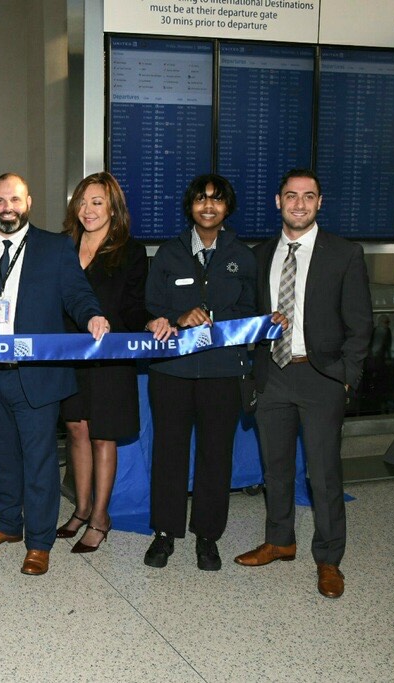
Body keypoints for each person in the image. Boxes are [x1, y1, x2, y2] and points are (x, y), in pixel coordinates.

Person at [235, 169, 372, 599]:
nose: (299, 204)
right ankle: (280, 541)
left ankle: (329, 560)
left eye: (308, 196)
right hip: (272, 375)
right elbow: (246, 319)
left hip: (321, 377)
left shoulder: (344, 254)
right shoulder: (258, 255)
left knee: (323, 474)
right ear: (278, 201)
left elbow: (361, 323)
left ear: (319, 202)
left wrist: (346, 378)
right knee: (274, 468)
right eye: (291, 196)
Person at [0, 173, 108, 576]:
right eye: (0, 200)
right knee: (3, 456)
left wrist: (93, 314)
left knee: (40, 459)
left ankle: (39, 542)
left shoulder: (55, 247)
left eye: (15, 199)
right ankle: (6, 524)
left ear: (29, 203)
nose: (7, 206)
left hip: (37, 374)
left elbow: (76, 294)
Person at [143, 173, 257, 572]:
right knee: (168, 452)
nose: (208, 206)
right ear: (190, 206)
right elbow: (149, 306)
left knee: (215, 455)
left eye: (217, 200)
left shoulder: (243, 256)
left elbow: (251, 313)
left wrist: (213, 317)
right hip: (172, 372)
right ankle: (164, 534)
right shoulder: (167, 254)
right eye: (201, 199)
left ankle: (207, 537)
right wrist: (174, 316)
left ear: (227, 207)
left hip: (223, 372)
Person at [55, 172, 165, 553]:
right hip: (69, 357)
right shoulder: (63, 247)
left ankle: (101, 516)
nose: (87, 210)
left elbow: (133, 306)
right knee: (76, 430)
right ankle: (82, 508)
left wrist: (149, 321)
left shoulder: (130, 252)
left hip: (110, 358)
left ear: (113, 209)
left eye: (97, 202)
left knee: (103, 435)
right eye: (82, 202)